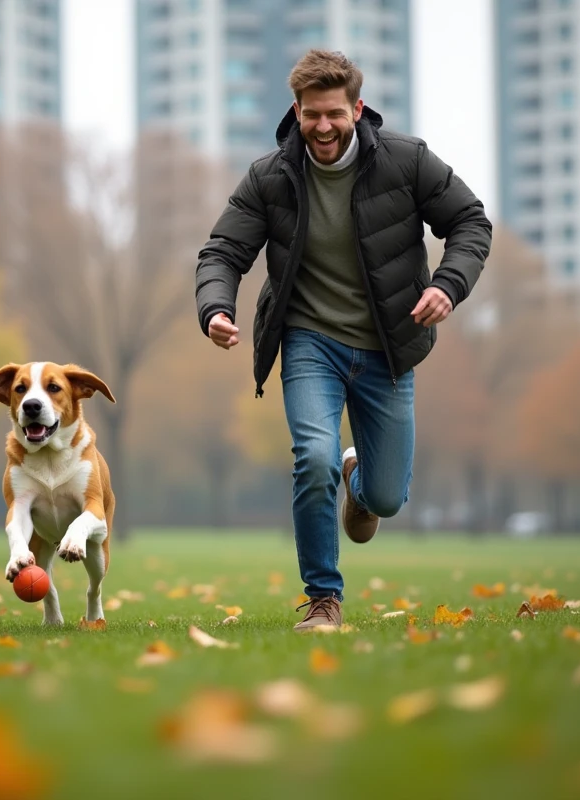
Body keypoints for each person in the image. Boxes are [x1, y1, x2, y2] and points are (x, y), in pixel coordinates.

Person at [195, 49, 492, 631]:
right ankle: (324, 598)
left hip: (388, 346)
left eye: (334, 114)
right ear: (296, 111)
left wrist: (449, 287)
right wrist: (214, 307)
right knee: (314, 457)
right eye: (311, 115)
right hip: (311, 343)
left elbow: (471, 221)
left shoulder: (406, 162)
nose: (322, 127)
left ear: (357, 108)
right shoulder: (270, 178)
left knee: (384, 499)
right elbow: (222, 252)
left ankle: (361, 477)